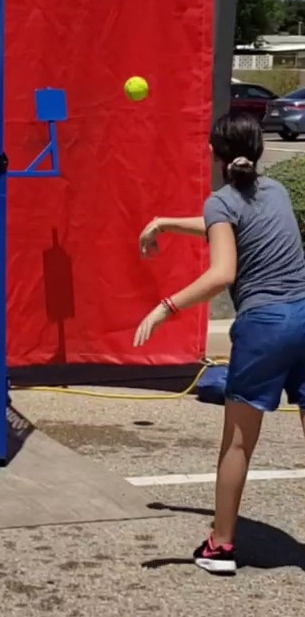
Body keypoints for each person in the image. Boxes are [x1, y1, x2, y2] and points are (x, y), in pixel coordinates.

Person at [134, 112, 305, 576]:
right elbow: (225, 223)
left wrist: (163, 307)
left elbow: (222, 272)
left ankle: (221, 547)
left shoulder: (221, 202)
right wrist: (166, 222)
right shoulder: (277, 192)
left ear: (215, 154)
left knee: (237, 444)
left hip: (266, 327)